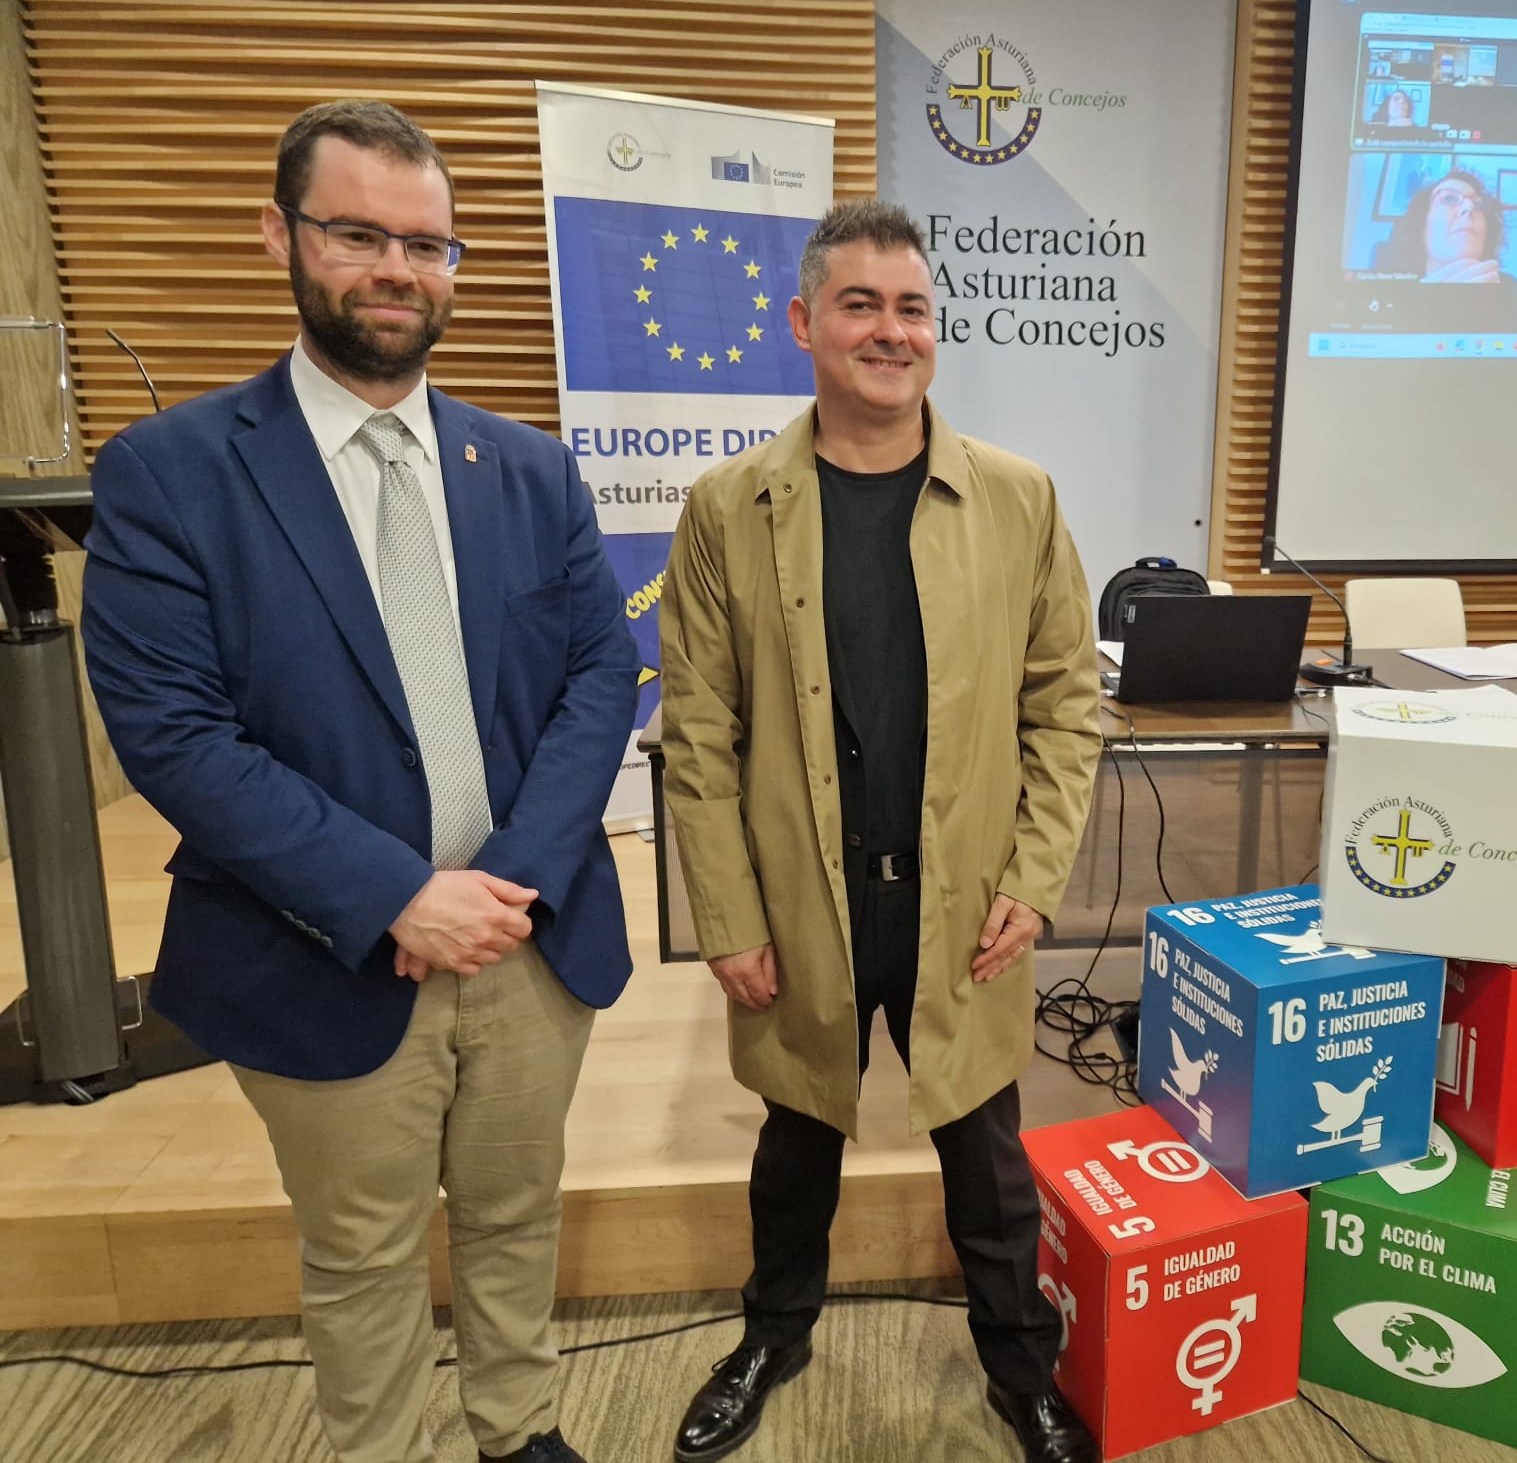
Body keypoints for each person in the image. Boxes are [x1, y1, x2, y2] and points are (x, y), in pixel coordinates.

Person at [81, 99, 638, 1463]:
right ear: (280, 237)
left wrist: (508, 883)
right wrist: (396, 894)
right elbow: (175, 735)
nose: (397, 269)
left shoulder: (530, 469)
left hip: (528, 938)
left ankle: (519, 1428)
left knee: (514, 1213)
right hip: (319, 948)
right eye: (357, 234)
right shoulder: (170, 474)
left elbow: (597, 679)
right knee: (361, 1251)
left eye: (427, 245)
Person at [656, 198, 1103, 1463]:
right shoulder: (728, 507)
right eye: (860, 305)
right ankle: (772, 1336)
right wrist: (727, 919)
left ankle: (1021, 1371)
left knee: (987, 1155)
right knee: (795, 1140)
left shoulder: (1016, 499)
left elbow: (1066, 706)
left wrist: (1033, 879)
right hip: (803, 899)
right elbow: (699, 736)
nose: (889, 331)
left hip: (963, 898)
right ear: (803, 322)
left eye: (911, 308)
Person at [1375, 168, 1513, 283]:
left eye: (1477, 204)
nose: (1469, 207)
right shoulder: (1385, 289)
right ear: (1421, 223)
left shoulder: (1510, 288)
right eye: (1449, 199)